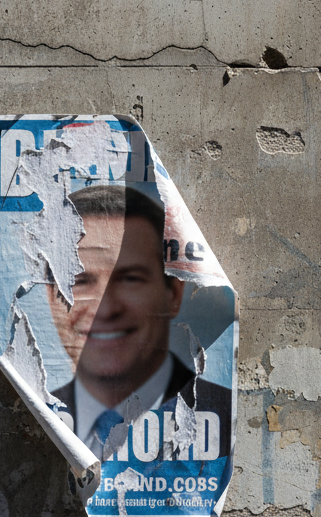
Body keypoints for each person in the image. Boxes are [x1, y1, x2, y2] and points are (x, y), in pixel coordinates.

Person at [48, 183, 231, 460]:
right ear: (49, 295)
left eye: (130, 279)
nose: (105, 309)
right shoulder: (25, 419)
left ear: (173, 293)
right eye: (79, 281)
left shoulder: (228, 420)